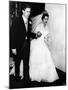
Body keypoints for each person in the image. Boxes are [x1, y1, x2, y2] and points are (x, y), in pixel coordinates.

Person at [10, 4, 38, 82]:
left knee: (26, 62)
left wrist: (35, 35)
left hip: (27, 44)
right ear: (23, 11)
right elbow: (13, 34)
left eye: (29, 12)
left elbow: (28, 33)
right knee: (18, 62)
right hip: (18, 45)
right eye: (27, 11)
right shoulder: (17, 20)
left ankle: (27, 78)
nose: (28, 13)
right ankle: (17, 76)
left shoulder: (30, 21)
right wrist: (13, 47)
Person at [29, 10, 59, 82]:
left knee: (46, 59)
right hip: (37, 43)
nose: (46, 20)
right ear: (42, 19)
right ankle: (35, 75)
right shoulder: (39, 26)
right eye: (45, 19)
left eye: (47, 19)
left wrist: (47, 38)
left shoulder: (47, 27)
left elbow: (47, 35)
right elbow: (35, 35)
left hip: (43, 44)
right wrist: (38, 35)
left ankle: (44, 75)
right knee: (37, 59)